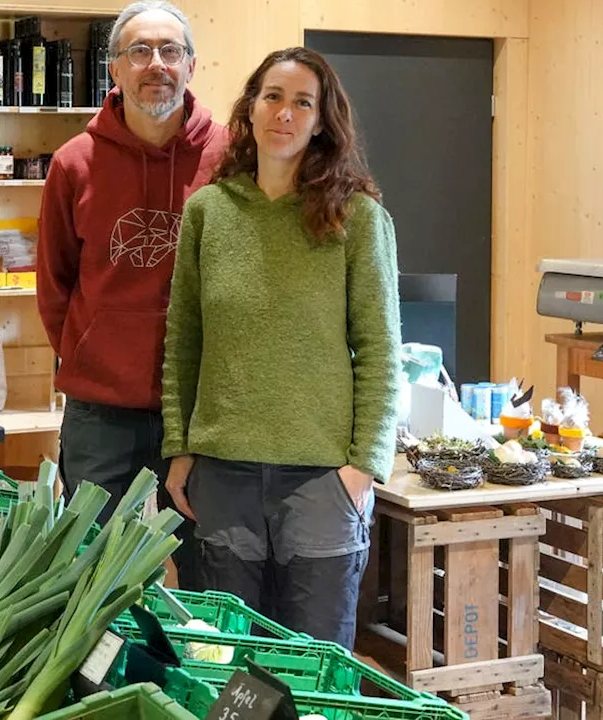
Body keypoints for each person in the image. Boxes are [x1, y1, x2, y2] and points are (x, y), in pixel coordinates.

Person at [160, 47, 402, 648]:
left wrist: (363, 467)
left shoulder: (358, 218)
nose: (285, 114)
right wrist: (179, 447)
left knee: (315, 664)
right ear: (251, 107)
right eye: (273, 96)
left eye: (302, 102)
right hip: (223, 476)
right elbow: (183, 343)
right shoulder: (208, 213)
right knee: (225, 660)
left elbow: (380, 350)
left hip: (322, 480)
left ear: (322, 120)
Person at [37, 1, 227, 591]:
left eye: (171, 51)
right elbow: (54, 286)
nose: (156, 65)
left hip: (203, 412)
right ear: (113, 69)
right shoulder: (74, 164)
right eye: (139, 51)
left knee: (207, 570)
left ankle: (196, 679)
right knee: (92, 573)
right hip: (102, 413)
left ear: (191, 65)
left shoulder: (228, 159)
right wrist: (96, 354)